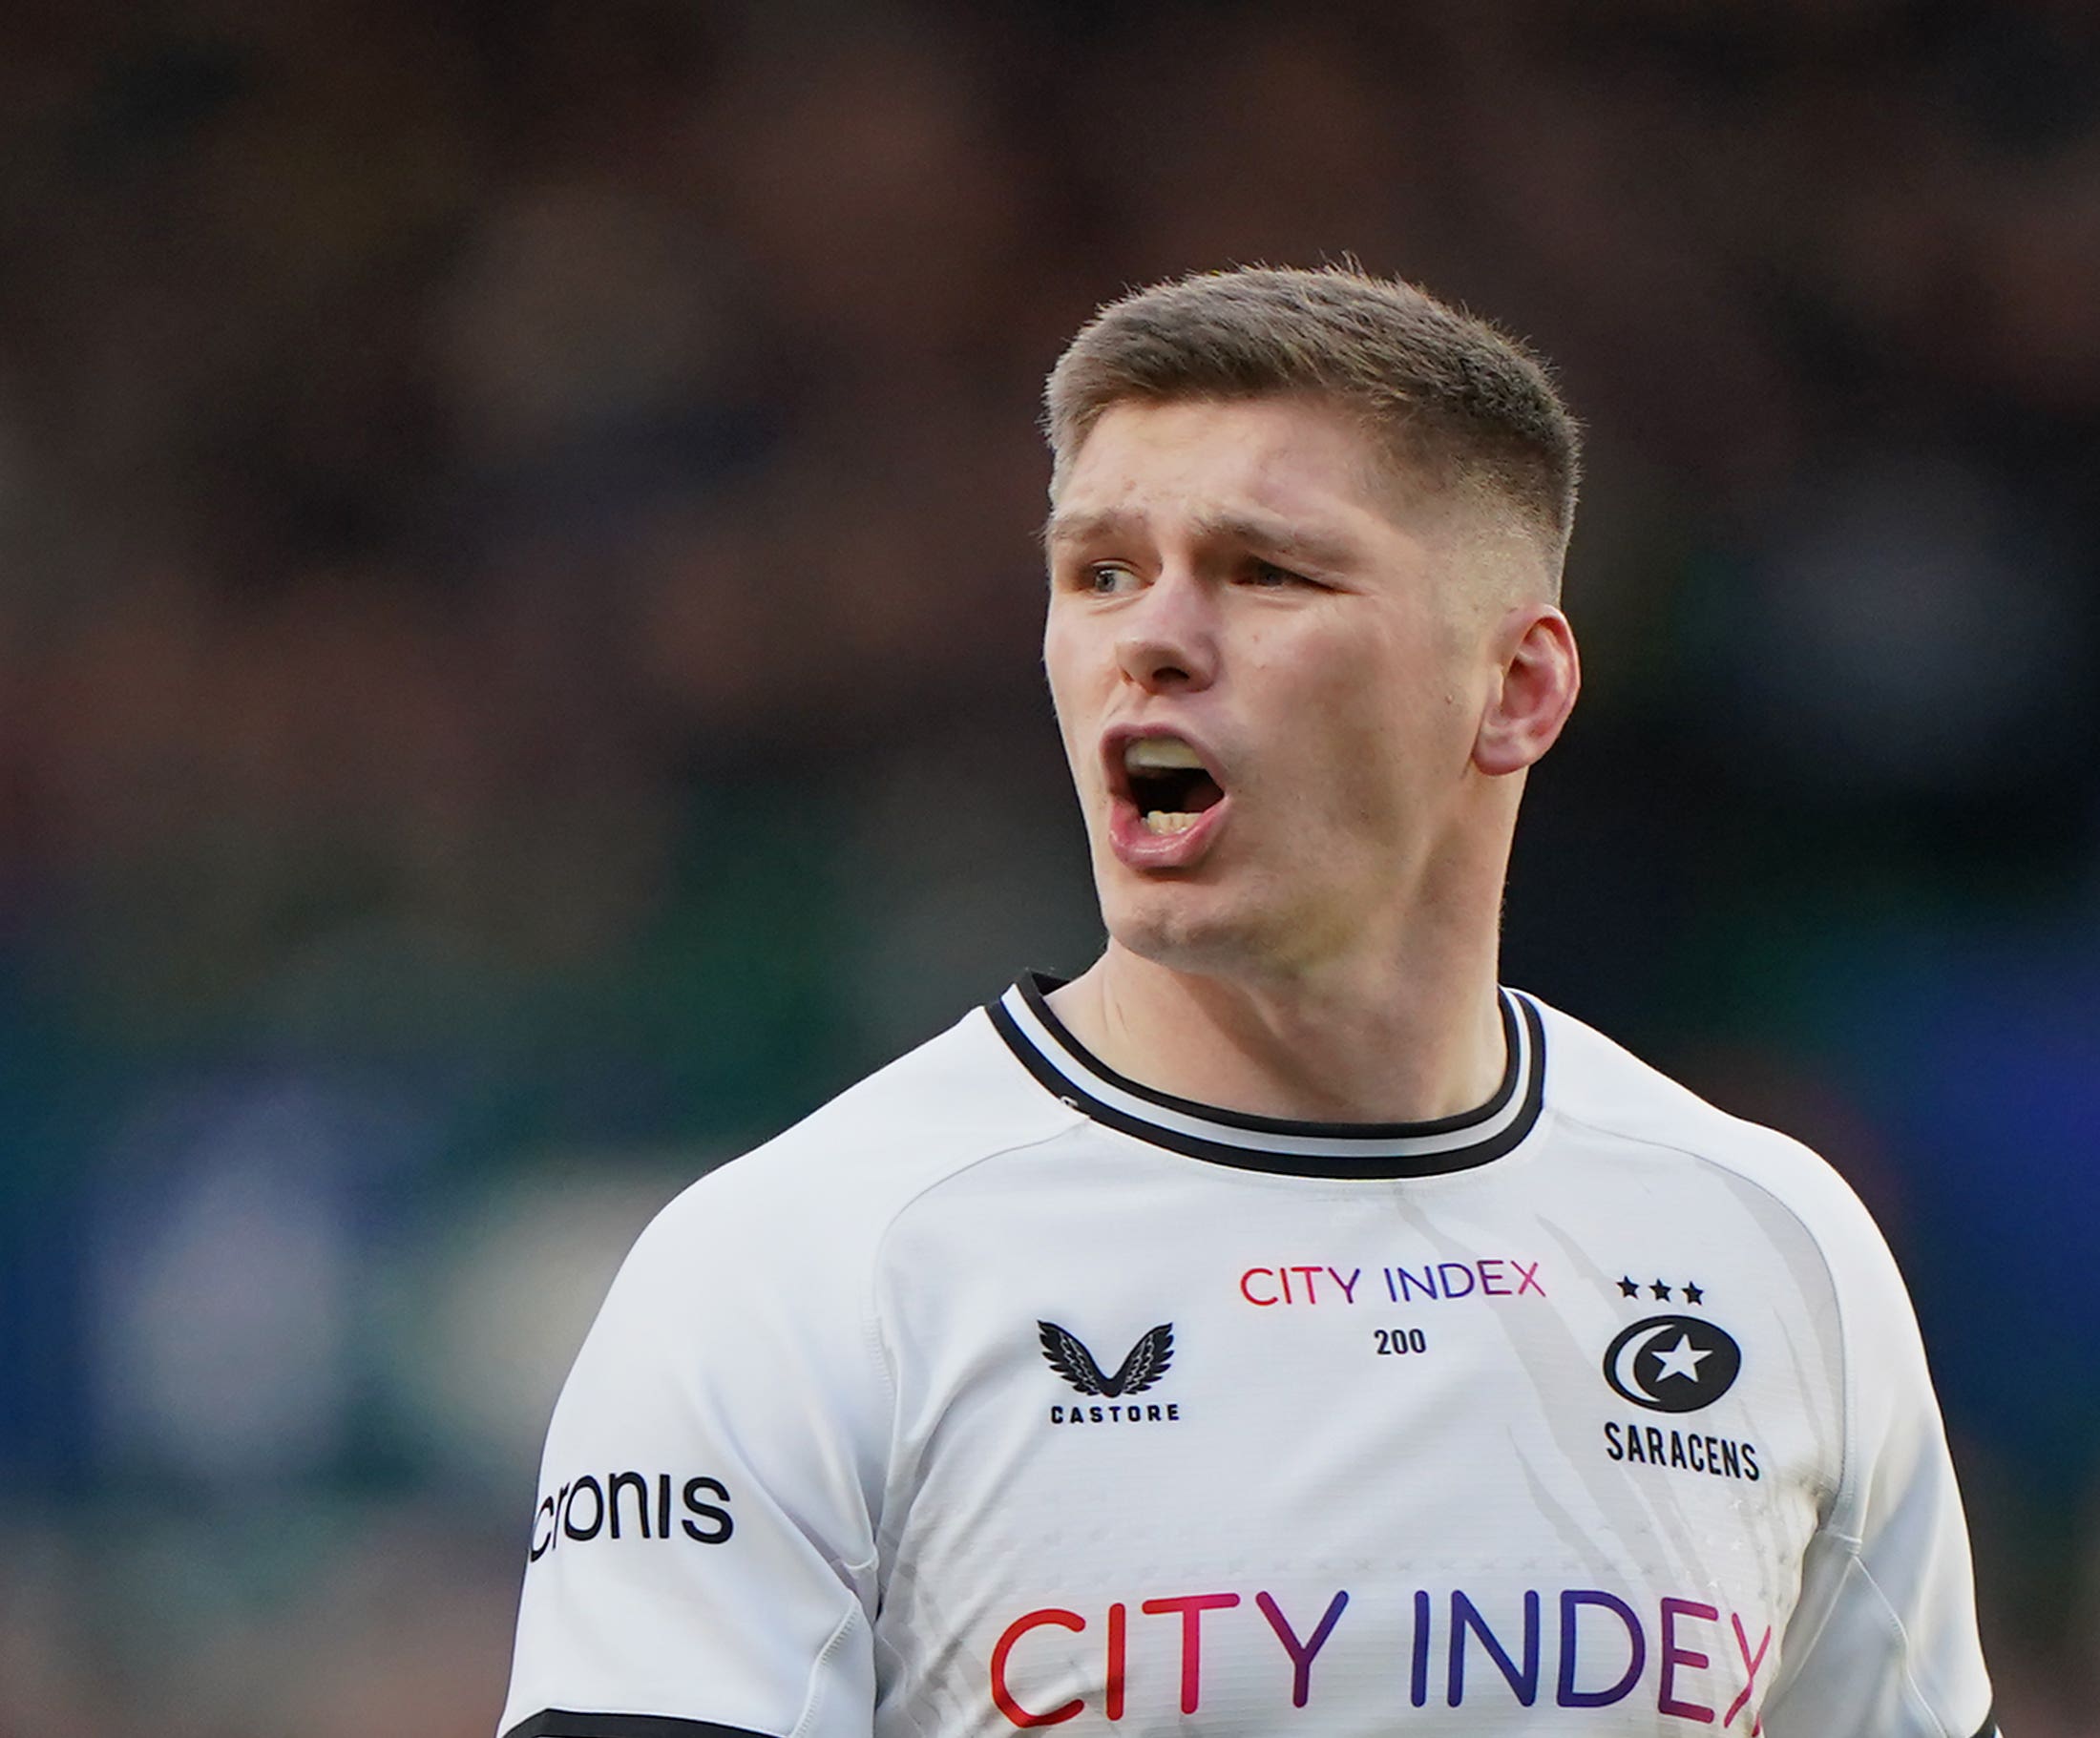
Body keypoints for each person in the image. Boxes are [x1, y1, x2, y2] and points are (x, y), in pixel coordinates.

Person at [497, 266, 1999, 1738]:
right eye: (1099, 572)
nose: (1148, 634)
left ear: (1518, 687)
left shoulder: (1767, 1243)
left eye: (1264, 570)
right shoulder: (799, 1267)